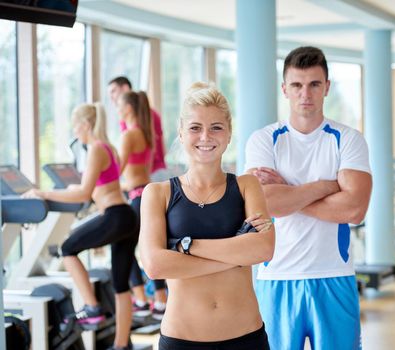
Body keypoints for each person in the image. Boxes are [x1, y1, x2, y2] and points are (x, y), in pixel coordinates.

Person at [245, 46, 372, 350]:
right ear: (284, 89)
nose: (306, 94)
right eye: (297, 85)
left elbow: (355, 209)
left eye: (315, 84)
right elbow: (264, 204)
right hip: (275, 278)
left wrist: (288, 191)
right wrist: (328, 186)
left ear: (327, 87)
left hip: (334, 276)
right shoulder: (264, 140)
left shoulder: (348, 139)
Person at [139, 82, 274, 350]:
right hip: (181, 340)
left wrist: (184, 246)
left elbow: (263, 248)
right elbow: (154, 265)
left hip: (246, 338)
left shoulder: (247, 186)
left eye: (216, 127)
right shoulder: (158, 194)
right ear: (180, 133)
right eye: (195, 128)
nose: (205, 137)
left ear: (229, 133)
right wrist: (235, 256)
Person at [23, 103, 139, 350]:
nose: (75, 131)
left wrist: (41, 193)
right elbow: (99, 187)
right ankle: (121, 346)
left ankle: (92, 307)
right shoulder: (109, 148)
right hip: (127, 216)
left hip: (115, 215)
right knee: (120, 285)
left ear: (85, 125)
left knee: (67, 248)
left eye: (76, 125)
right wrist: (72, 189)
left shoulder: (96, 149)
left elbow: (85, 193)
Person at [108, 76, 168, 317]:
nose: (117, 111)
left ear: (129, 108)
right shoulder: (144, 133)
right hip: (145, 193)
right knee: (149, 247)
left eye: (119, 107)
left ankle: (142, 298)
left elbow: (117, 171)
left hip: (136, 196)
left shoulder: (129, 135)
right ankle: (159, 299)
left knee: (123, 245)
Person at [108, 76, 168, 180]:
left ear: (125, 88)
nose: (111, 97)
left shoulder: (131, 128)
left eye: (113, 91)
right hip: (148, 176)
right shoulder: (148, 116)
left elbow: (123, 160)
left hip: (152, 175)